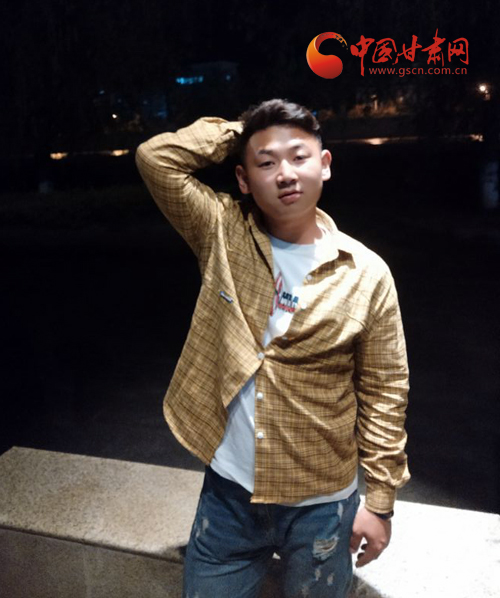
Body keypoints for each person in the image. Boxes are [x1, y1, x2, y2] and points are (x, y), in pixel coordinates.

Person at [135, 98, 410, 598]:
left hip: (322, 504)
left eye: (299, 157)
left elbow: (385, 391)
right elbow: (156, 158)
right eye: (266, 163)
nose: (285, 173)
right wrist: (244, 130)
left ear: (325, 165)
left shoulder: (367, 274)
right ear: (243, 180)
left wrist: (380, 502)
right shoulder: (222, 229)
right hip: (229, 494)